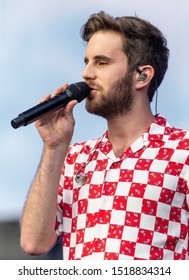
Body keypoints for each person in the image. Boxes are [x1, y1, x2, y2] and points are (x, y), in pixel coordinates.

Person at [20, 11, 189, 260]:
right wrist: (54, 147)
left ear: (142, 75)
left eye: (101, 62)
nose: (86, 74)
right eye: (86, 62)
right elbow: (34, 243)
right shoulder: (75, 156)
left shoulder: (182, 150)